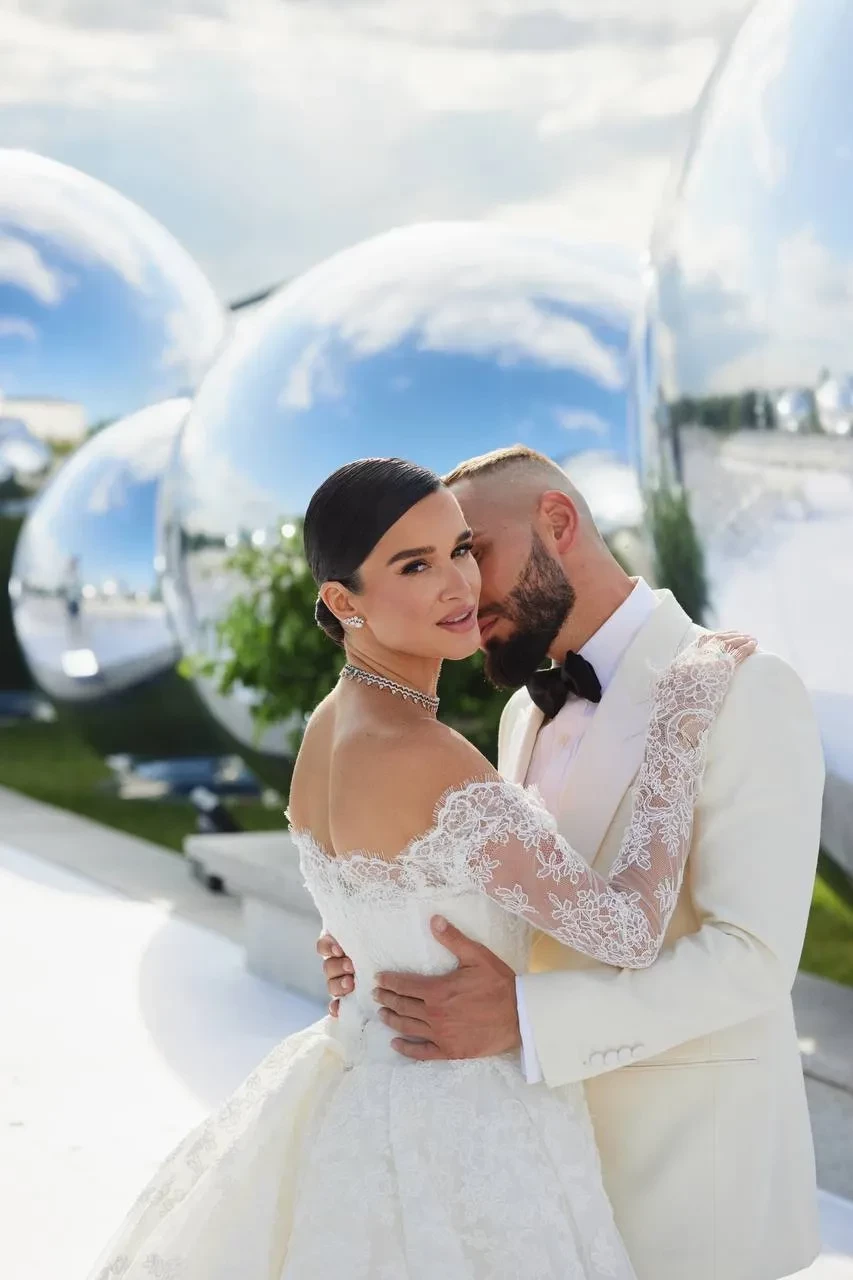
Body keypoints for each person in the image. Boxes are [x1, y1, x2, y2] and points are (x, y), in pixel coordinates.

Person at [87, 455, 754, 1280]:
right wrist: (677, 732)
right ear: (343, 602)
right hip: (464, 1125)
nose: (457, 584)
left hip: (359, 1085)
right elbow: (625, 932)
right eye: (414, 565)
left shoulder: (330, 724)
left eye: (460, 550)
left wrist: (357, 948)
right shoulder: (420, 751)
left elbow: (372, 899)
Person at [320, 445, 825, 1280]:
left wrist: (527, 1019)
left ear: (555, 521)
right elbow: (518, 896)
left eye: (472, 550)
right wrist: (377, 933)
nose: (463, 586)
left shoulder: (743, 688)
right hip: (533, 1178)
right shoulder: (520, 713)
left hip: (688, 1185)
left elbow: (753, 958)